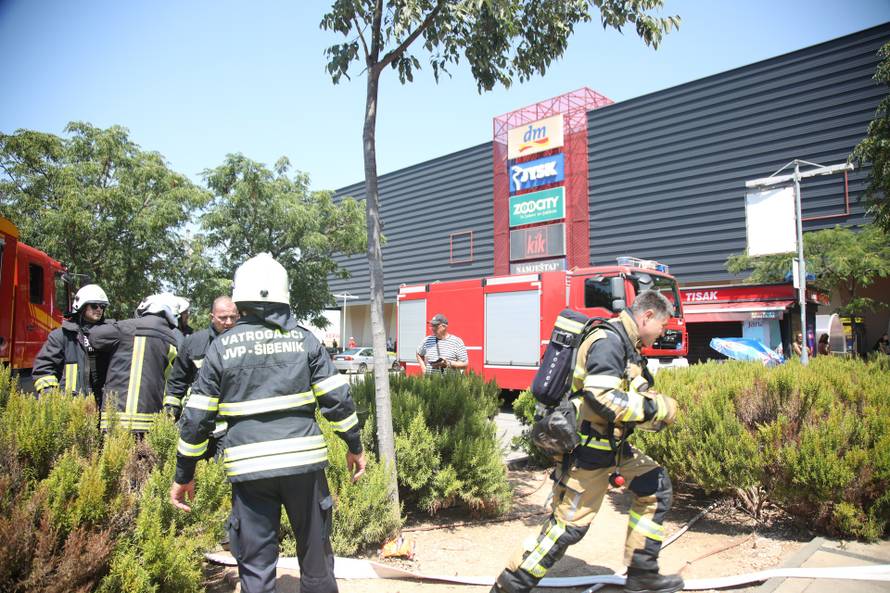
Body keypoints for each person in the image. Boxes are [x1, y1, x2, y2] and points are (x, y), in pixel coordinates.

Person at [169, 253, 366, 593]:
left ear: (240, 299)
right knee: (316, 558)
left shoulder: (221, 348)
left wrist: (184, 473)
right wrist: (355, 446)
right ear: (284, 296)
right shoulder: (305, 340)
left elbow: (196, 417)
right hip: (304, 468)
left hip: (250, 470)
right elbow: (337, 398)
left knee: (256, 566)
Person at [491, 291, 682, 593]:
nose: (663, 332)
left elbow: (633, 381)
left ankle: (642, 574)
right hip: (588, 449)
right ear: (646, 316)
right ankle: (510, 586)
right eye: (662, 324)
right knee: (568, 527)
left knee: (655, 486)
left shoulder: (626, 342)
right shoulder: (608, 341)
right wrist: (657, 409)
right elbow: (602, 397)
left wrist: (647, 393)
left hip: (613, 446)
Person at [90, 292, 180, 432]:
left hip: (118, 418)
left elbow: (95, 337)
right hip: (151, 421)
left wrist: (109, 323)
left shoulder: (127, 327)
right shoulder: (172, 339)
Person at [32, 284, 112, 406]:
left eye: (102, 306)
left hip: (103, 403)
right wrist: (51, 396)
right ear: (81, 306)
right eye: (94, 305)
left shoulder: (111, 334)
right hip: (72, 404)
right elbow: (44, 369)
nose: (99, 309)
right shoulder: (61, 336)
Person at [163, 295, 239, 422]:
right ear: (212, 318)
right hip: (200, 422)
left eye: (233, 317)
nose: (229, 322)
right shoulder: (193, 343)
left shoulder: (246, 343)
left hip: (235, 423)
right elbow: (177, 383)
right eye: (223, 318)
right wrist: (170, 415)